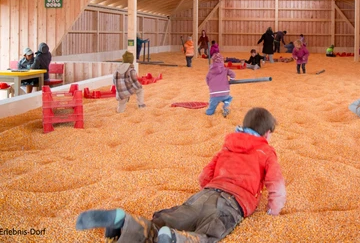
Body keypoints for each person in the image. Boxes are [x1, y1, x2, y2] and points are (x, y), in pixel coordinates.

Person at [75, 107, 286, 243]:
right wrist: (273, 210)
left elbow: (205, 175)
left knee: (168, 220)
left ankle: (123, 222)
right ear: (267, 133)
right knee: (208, 234)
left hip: (204, 195)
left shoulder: (227, 146)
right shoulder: (266, 151)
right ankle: (175, 240)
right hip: (233, 204)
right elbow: (276, 184)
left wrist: (208, 188)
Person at [206, 53, 235, 117]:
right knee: (229, 98)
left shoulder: (210, 71)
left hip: (214, 94)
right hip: (224, 92)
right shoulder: (225, 69)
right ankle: (226, 105)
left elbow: (207, 79)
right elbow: (232, 73)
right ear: (222, 61)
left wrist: (211, 86)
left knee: (211, 107)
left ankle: (209, 113)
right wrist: (232, 80)